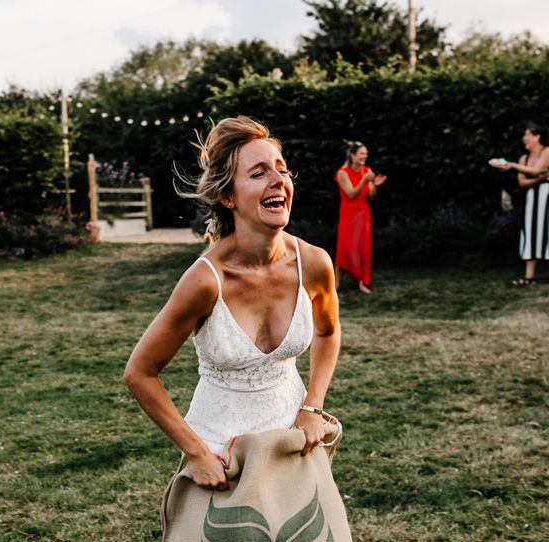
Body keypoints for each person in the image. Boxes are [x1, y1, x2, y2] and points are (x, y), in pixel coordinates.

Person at [123, 114, 340, 490]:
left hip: (293, 440)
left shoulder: (315, 264)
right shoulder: (205, 281)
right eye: (258, 174)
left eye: (282, 170)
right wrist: (197, 454)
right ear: (228, 196)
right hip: (222, 458)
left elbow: (328, 332)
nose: (278, 180)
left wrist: (311, 407)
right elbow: (139, 373)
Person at [493, 124, 549, 285]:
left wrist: (512, 166)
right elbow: (523, 183)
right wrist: (538, 179)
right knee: (531, 232)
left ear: (537, 137)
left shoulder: (548, 151)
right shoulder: (524, 159)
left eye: (527, 134)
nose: (524, 138)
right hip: (533, 197)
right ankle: (529, 277)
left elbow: (536, 170)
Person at [335, 142, 386, 294]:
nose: (365, 156)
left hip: (363, 213)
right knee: (344, 247)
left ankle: (363, 282)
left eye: (366, 154)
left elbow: (370, 195)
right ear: (352, 155)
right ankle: (336, 283)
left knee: (362, 248)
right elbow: (351, 194)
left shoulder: (367, 171)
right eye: (362, 153)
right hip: (348, 213)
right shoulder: (342, 173)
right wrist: (365, 179)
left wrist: (374, 184)